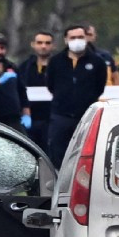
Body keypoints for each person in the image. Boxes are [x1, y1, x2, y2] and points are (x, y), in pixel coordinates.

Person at [46, 25, 108, 168]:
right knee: (58, 151)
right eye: (73, 38)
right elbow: (50, 85)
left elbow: (99, 86)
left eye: (80, 37)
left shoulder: (97, 61)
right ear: (66, 40)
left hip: (87, 115)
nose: (77, 40)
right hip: (61, 115)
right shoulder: (55, 61)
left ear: (86, 38)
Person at [18, 30, 55, 154]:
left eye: (47, 43)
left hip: (53, 118)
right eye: (39, 43)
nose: (43, 46)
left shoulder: (59, 65)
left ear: (53, 45)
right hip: (31, 117)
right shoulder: (25, 66)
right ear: (33, 44)